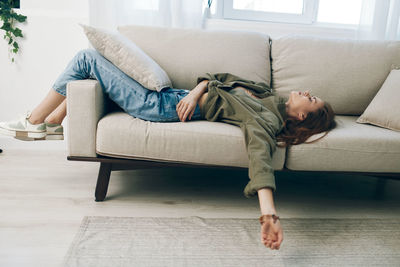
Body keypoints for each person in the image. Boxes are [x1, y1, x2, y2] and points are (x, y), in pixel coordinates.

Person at [0, 48, 337, 250]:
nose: (306, 91)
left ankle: (34, 120)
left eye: (311, 98)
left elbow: (261, 161)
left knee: (87, 58)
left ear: (304, 115)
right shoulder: (266, 93)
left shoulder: (265, 122)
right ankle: (54, 123)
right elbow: (216, 76)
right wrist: (195, 92)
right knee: (90, 61)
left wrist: (268, 214)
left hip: (158, 107)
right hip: (176, 96)